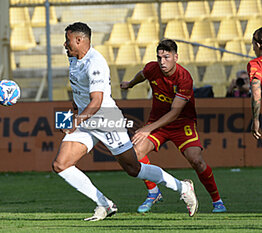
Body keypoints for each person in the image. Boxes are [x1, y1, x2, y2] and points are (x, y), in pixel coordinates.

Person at [52, 22, 198, 221]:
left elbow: (97, 101)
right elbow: (80, 92)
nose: (64, 44)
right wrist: (74, 112)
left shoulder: (95, 63)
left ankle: (182, 186)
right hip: (86, 120)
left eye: (67, 40)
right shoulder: (73, 59)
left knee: (133, 168)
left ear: (79, 40)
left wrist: (75, 121)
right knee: (61, 164)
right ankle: (104, 204)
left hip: (106, 119)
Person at [120, 39, 226, 214]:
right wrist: (130, 84)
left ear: (176, 57)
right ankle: (153, 192)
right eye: (159, 57)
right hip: (158, 123)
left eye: (166, 57)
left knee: (196, 161)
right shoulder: (152, 68)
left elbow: (175, 113)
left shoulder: (184, 78)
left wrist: (148, 128)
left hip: (181, 123)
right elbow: (142, 74)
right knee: (135, 153)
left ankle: (217, 200)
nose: (162, 61)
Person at [248, 27, 262, 140]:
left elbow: (256, 92)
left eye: (253, 45)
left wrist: (256, 119)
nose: (253, 48)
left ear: (258, 45)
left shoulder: (256, 64)